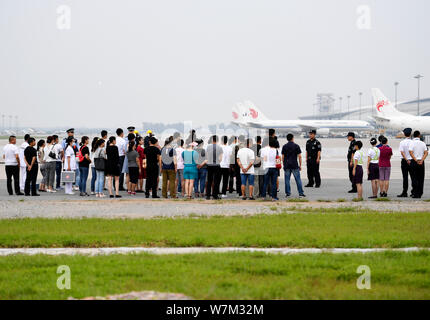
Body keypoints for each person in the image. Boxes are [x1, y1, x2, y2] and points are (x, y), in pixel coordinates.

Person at [282, 133, 305, 198]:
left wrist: (284, 164)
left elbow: (283, 157)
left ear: (287, 139)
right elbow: (299, 156)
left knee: (287, 180)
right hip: (294, 165)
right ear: (292, 138)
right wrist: (300, 165)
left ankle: (288, 193)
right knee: (298, 179)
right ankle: (301, 193)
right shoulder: (296, 146)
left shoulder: (284, 146)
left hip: (287, 165)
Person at [409, 131, 428, 199]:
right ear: (419, 135)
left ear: (413, 135)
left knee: (414, 178)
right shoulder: (423, 143)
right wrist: (422, 160)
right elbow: (426, 153)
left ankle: (415, 193)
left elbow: (410, 152)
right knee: (421, 178)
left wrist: (415, 160)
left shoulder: (412, 143)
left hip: (414, 162)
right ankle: (420, 193)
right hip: (421, 162)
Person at [205, 135, 223, 200]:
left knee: (209, 180)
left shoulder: (208, 147)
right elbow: (220, 158)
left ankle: (208, 195)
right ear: (217, 140)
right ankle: (215, 195)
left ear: (212, 140)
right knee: (216, 181)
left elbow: (206, 156)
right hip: (217, 165)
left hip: (209, 165)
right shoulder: (220, 147)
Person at [398, 128, 414, 198]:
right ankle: (414, 192)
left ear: (404, 134)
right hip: (412, 160)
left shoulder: (402, 142)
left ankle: (405, 192)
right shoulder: (413, 142)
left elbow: (402, 152)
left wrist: (406, 159)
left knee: (405, 177)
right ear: (410, 134)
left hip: (404, 161)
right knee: (413, 177)